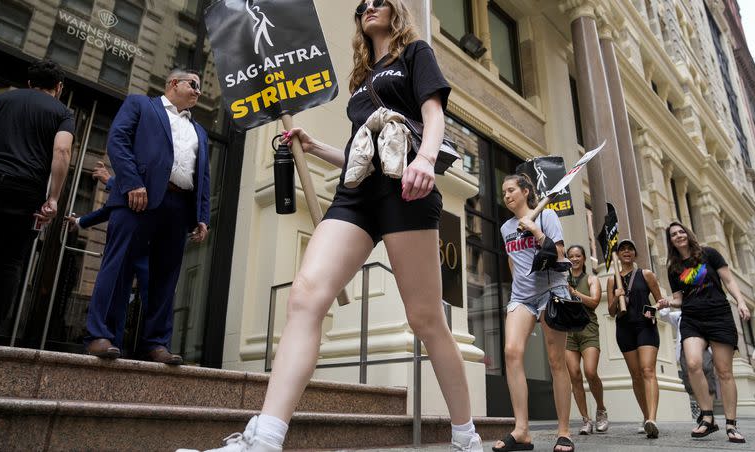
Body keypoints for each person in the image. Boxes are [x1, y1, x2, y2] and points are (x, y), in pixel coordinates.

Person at [180, 2, 482, 451]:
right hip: (357, 194)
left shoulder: (415, 53)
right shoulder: (360, 80)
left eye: (378, 0)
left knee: (426, 320)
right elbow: (363, 154)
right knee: (305, 297)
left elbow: (433, 116)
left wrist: (424, 158)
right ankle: (266, 437)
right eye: (361, 6)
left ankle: (465, 436)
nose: (369, 7)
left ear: (396, 10)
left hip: (407, 191)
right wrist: (317, 147)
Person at [83, 68, 210, 364]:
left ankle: (155, 343)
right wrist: (132, 183)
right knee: (119, 266)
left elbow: (203, 175)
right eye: (194, 84)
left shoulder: (199, 131)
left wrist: (202, 216)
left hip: (178, 206)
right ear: (173, 83)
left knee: (166, 278)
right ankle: (100, 335)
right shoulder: (141, 104)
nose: (198, 91)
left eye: (201, 87)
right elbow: (118, 141)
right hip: (137, 199)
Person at [0, 60, 74, 343]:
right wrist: (53, 198)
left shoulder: (0, 100)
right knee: (9, 260)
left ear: (29, 82)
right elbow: (62, 151)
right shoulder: (62, 112)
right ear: (58, 87)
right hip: (24, 190)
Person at [495, 173, 574, 452]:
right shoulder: (506, 228)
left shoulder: (547, 217)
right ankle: (522, 430)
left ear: (527, 191)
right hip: (522, 297)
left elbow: (561, 257)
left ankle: (563, 431)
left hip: (551, 292)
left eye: (512, 189)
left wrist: (537, 232)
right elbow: (514, 263)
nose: (507, 195)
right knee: (511, 353)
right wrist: (517, 289)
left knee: (556, 362)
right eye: (504, 191)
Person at [656, 221, 750, 443]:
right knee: (693, 363)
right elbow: (679, 299)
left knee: (724, 372)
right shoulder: (674, 268)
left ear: (687, 234)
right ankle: (707, 418)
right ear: (670, 241)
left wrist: (742, 302)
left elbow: (728, 280)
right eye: (673, 234)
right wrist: (665, 302)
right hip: (692, 318)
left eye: (681, 232)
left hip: (719, 315)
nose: (678, 236)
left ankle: (731, 424)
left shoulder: (709, 254)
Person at [66, 163, 149, 352]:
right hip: (129, 235)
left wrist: (110, 180)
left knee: (147, 291)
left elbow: (150, 190)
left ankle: (152, 345)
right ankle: (111, 342)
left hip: (149, 237)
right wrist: (79, 222)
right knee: (119, 288)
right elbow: (111, 207)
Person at [606, 239, 663, 438]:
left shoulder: (646, 274)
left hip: (645, 327)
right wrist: (616, 296)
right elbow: (611, 312)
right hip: (624, 329)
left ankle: (652, 419)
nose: (627, 252)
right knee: (636, 375)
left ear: (635, 253)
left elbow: (660, 302)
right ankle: (645, 416)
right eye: (623, 250)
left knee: (647, 370)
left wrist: (653, 310)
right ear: (619, 255)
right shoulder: (613, 279)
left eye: (630, 249)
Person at [564, 245, 609, 435]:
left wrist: (574, 293)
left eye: (577, 256)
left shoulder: (592, 279)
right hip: (568, 331)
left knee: (590, 372)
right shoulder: (562, 279)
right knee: (574, 375)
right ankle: (585, 419)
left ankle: (601, 410)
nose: (574, 259)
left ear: (583, 258)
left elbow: (594, 302)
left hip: (588, 329)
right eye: (571, 256)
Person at [658, 306, 717, 420]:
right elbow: (664, 316)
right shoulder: (680, 315)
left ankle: (708, 412)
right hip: (685, 351)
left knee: (707, 375)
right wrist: (668, 303)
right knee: (690, 383)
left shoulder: (706, 310)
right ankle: (704, 409)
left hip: (704, 348)